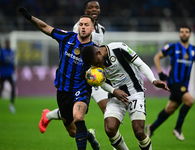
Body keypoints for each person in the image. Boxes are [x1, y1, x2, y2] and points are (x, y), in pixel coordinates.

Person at [18, 6, 100, 150]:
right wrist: (29, 17)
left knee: (79, 118)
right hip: (63, 90)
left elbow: (102, 69)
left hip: (81, 89)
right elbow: (45, 27)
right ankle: (89, 135)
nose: (83, 27)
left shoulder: (94, 50)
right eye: (81, 24)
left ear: (92, 29)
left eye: (86, 25)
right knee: (72, 131)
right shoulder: (66, 37)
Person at [80, 43, 170, 150]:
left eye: (98, 62)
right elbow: (100, 82)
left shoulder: (118, 48)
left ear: (99, 52)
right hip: (115, 96)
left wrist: (153, 80)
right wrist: (114, 91)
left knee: (139, 132)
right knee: (110, 129)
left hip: (135, 91)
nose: (98, 66)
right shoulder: (93, 63)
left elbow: (140, 64)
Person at [146, 26, 195, 141]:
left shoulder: (194, 50)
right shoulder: (173, 47)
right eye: (182, 32)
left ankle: (151, 127)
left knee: (170, 109)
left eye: (186, 32)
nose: (184, 34)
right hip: (174, 82)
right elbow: (157, 57)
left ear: (190, 34)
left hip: (184, 84)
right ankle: (178, 129)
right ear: (179, 34)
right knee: (190, 100)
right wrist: (160, 73)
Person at [0, 39, 16, 114]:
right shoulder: (2, 52)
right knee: (1, 88)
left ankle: (11, 105)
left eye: (9, 43)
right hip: (3, 72)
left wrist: (14, 71)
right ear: (5, 43)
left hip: (10, 73)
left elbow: (13, 63)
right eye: (7, 43)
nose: (8, 44)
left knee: (13, 87)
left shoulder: (12, 52)